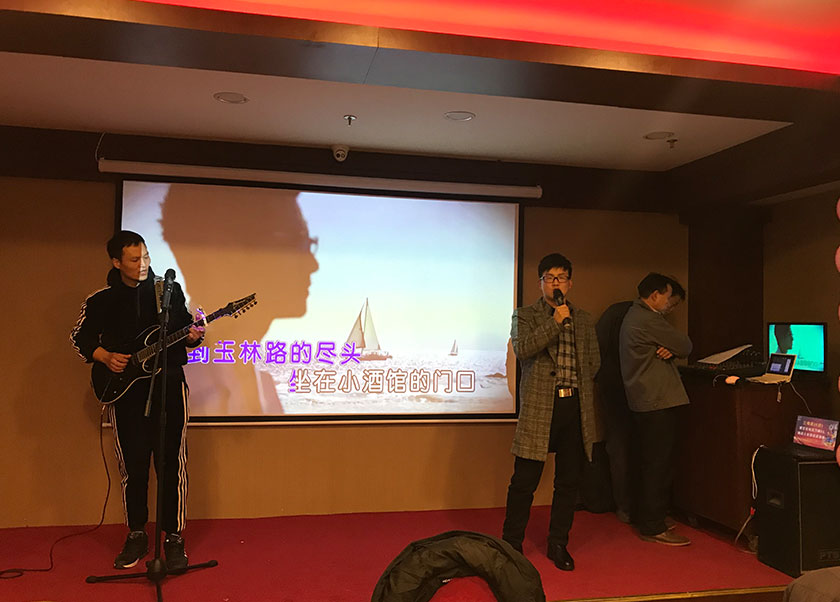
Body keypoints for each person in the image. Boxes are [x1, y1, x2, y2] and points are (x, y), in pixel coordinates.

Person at [70, 231, 204, 570]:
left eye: (145, 256)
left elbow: (185, 333)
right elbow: (79, 337)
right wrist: (104, 356)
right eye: (134, 259)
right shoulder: (100, 300)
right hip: (126, 392)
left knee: (171, 464)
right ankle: (137, 534)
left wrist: (194, 336)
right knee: (134, 467)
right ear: (117, 262)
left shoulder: (168, 291)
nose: (142, 264)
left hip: (169, 387)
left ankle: (173, 537)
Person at [159, 183, 319, 416]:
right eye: (296, 243)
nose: (313, 265)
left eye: (308, 245)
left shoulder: (265, 387)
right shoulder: (184, 388)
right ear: (220, 252)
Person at [502, 253, 601, 571]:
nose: (556, 283)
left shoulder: (583, 319)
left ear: (570, 283)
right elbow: (523, 349)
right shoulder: (525, 315)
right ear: (540, 283)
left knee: (568, 482)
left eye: (561, 277)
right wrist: (554, 322)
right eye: (549, 277)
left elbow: (594, 362)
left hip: (574, 406)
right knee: (524, 481)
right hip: (540, 407)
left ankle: (558, 543)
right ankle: (511, 544)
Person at [619, 273, 691, 546]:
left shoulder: (634, 315)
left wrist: (669, 349)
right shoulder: (648, 319)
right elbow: (685, 345)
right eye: (668, 298)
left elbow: (676, 347)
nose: (669, 304)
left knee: (648, 461)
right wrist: (673, 348)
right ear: (655, 295)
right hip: (656, 401)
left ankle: (647, 517)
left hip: (644, 401)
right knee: (657, 465)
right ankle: (653, 525)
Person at [594, 300, 635, 524]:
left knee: (619, 447)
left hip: (610, 386)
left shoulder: (615, 312)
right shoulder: (632, 315)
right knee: (624, 448)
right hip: (622, 389)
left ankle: (625, 507)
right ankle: (628, 506)